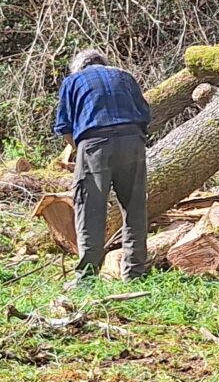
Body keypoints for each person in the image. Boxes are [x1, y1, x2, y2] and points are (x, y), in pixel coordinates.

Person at [52, 48, 152, 282]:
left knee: (90, 208)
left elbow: (64, 127)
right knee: (134, 208)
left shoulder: (72, 81)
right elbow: (146, 115)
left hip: (94, 142)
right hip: (132, 140)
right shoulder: (125, 76)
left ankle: (87, 277)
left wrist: (81, 152)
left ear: (78, 67)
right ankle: (135, 272)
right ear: (104, 63)